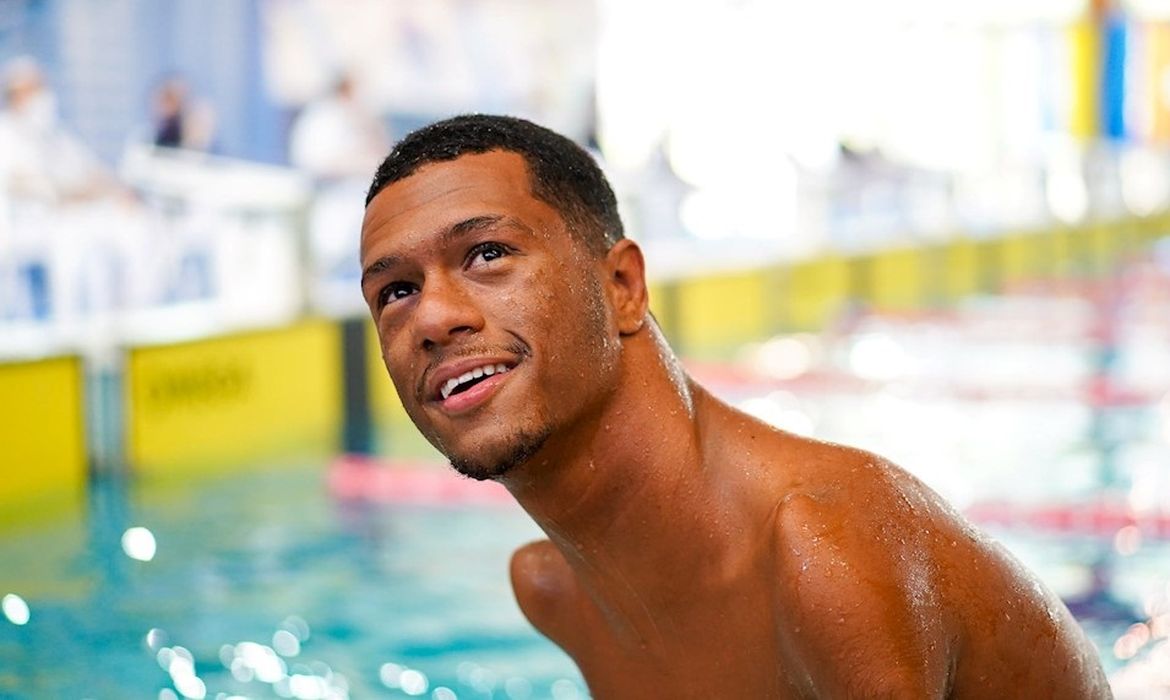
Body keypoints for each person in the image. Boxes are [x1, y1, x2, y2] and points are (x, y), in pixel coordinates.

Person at [359, 115, 1112, 698]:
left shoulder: (824, 553)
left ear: (623, 286)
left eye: (487, 254)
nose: (433, 318)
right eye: (396, 291)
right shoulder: (555, 591)